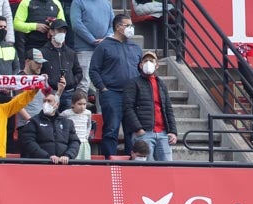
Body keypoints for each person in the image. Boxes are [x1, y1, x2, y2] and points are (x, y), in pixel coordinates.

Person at [89, 14, 143, 157]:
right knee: (111, 129)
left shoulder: (135, 47)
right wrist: (103, 88)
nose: (131, 28)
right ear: (118, 27)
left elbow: (141, 71)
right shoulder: (104, 46)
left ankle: (132, 162)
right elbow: (93, 70)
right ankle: (110, 162)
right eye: (128, 25)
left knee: (131, 131)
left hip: (132, 95)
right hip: (112, 93)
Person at [124, 50, 176, 162]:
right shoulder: (133, 83)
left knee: (167, 169)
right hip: (144, 133)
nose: (148, 63)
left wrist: (173, 131)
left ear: (156, 65)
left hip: (163, 133)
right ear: (140, 65)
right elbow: (127, 107)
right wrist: (138, 129)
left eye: (151, 61)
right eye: (145, 60)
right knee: (145, 170)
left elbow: (168, 109)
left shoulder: (161, 84)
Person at [18, 91, 78, 162]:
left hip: (63, 164)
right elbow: (29, 142)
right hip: (41, 164)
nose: (46, 103)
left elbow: (74, 142)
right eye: (44, 101)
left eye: (49, 101)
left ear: (57, 104)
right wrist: (46, 157)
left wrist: (68, 155)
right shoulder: (33, 121)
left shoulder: (67, 123)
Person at [61, 92, 93, 159]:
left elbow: (89, 125)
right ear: (73, 104)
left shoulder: (88, 113)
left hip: (83, 142)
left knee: (84, 165)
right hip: (71, 143)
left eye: (84, 104)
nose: (82, 107)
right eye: (79, 104)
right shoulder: (66, 113)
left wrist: (86, 136)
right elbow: (59, 122)